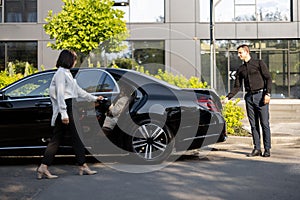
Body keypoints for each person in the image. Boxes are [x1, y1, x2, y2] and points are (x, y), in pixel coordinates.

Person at [37, 50, 103, 179]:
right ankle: (82, 165)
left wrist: (94, 98)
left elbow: (78, 91)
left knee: (57, 139)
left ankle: (43, 167)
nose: (75, 61)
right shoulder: (61, 73)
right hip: (68, 108)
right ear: (68, 59)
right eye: (74, 59)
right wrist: (64, 113)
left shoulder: (67, 74)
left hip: (71, 106)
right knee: (76, 137)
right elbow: (60, 94)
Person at [223, 44, 272, 157]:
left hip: (261, 96)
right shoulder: (240, 69)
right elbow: (237, 86)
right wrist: (228, 97)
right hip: (249, 98)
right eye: (238, 53)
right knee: (253, 125)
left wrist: (267, 93)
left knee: (264, 123)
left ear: (246, 52)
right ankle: (257, 148)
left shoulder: (259, 63)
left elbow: (268, 78)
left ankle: (267, 149)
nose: (239, 55)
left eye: (240, 53)